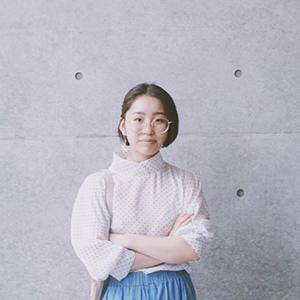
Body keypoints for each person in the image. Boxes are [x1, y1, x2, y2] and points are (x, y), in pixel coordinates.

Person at [70, 83, 213, 299]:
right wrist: (168, 245)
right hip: (122, 291)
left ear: (169, 126)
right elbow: (97, 258)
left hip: (174, 291)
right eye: (138, 119)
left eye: (159, 120)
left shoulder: (186, 181)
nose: (148, 128)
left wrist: (123, 240)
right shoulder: (99, 184)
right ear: (123, 125)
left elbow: (191, 249)